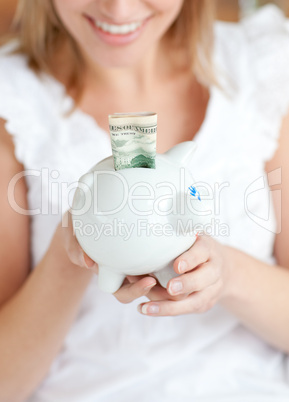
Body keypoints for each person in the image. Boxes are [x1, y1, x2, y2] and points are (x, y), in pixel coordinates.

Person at [0, 0, 289, 401]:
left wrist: (227, 274)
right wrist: (73, 253)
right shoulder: (11, 102)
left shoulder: (260, 68)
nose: (118, 10)